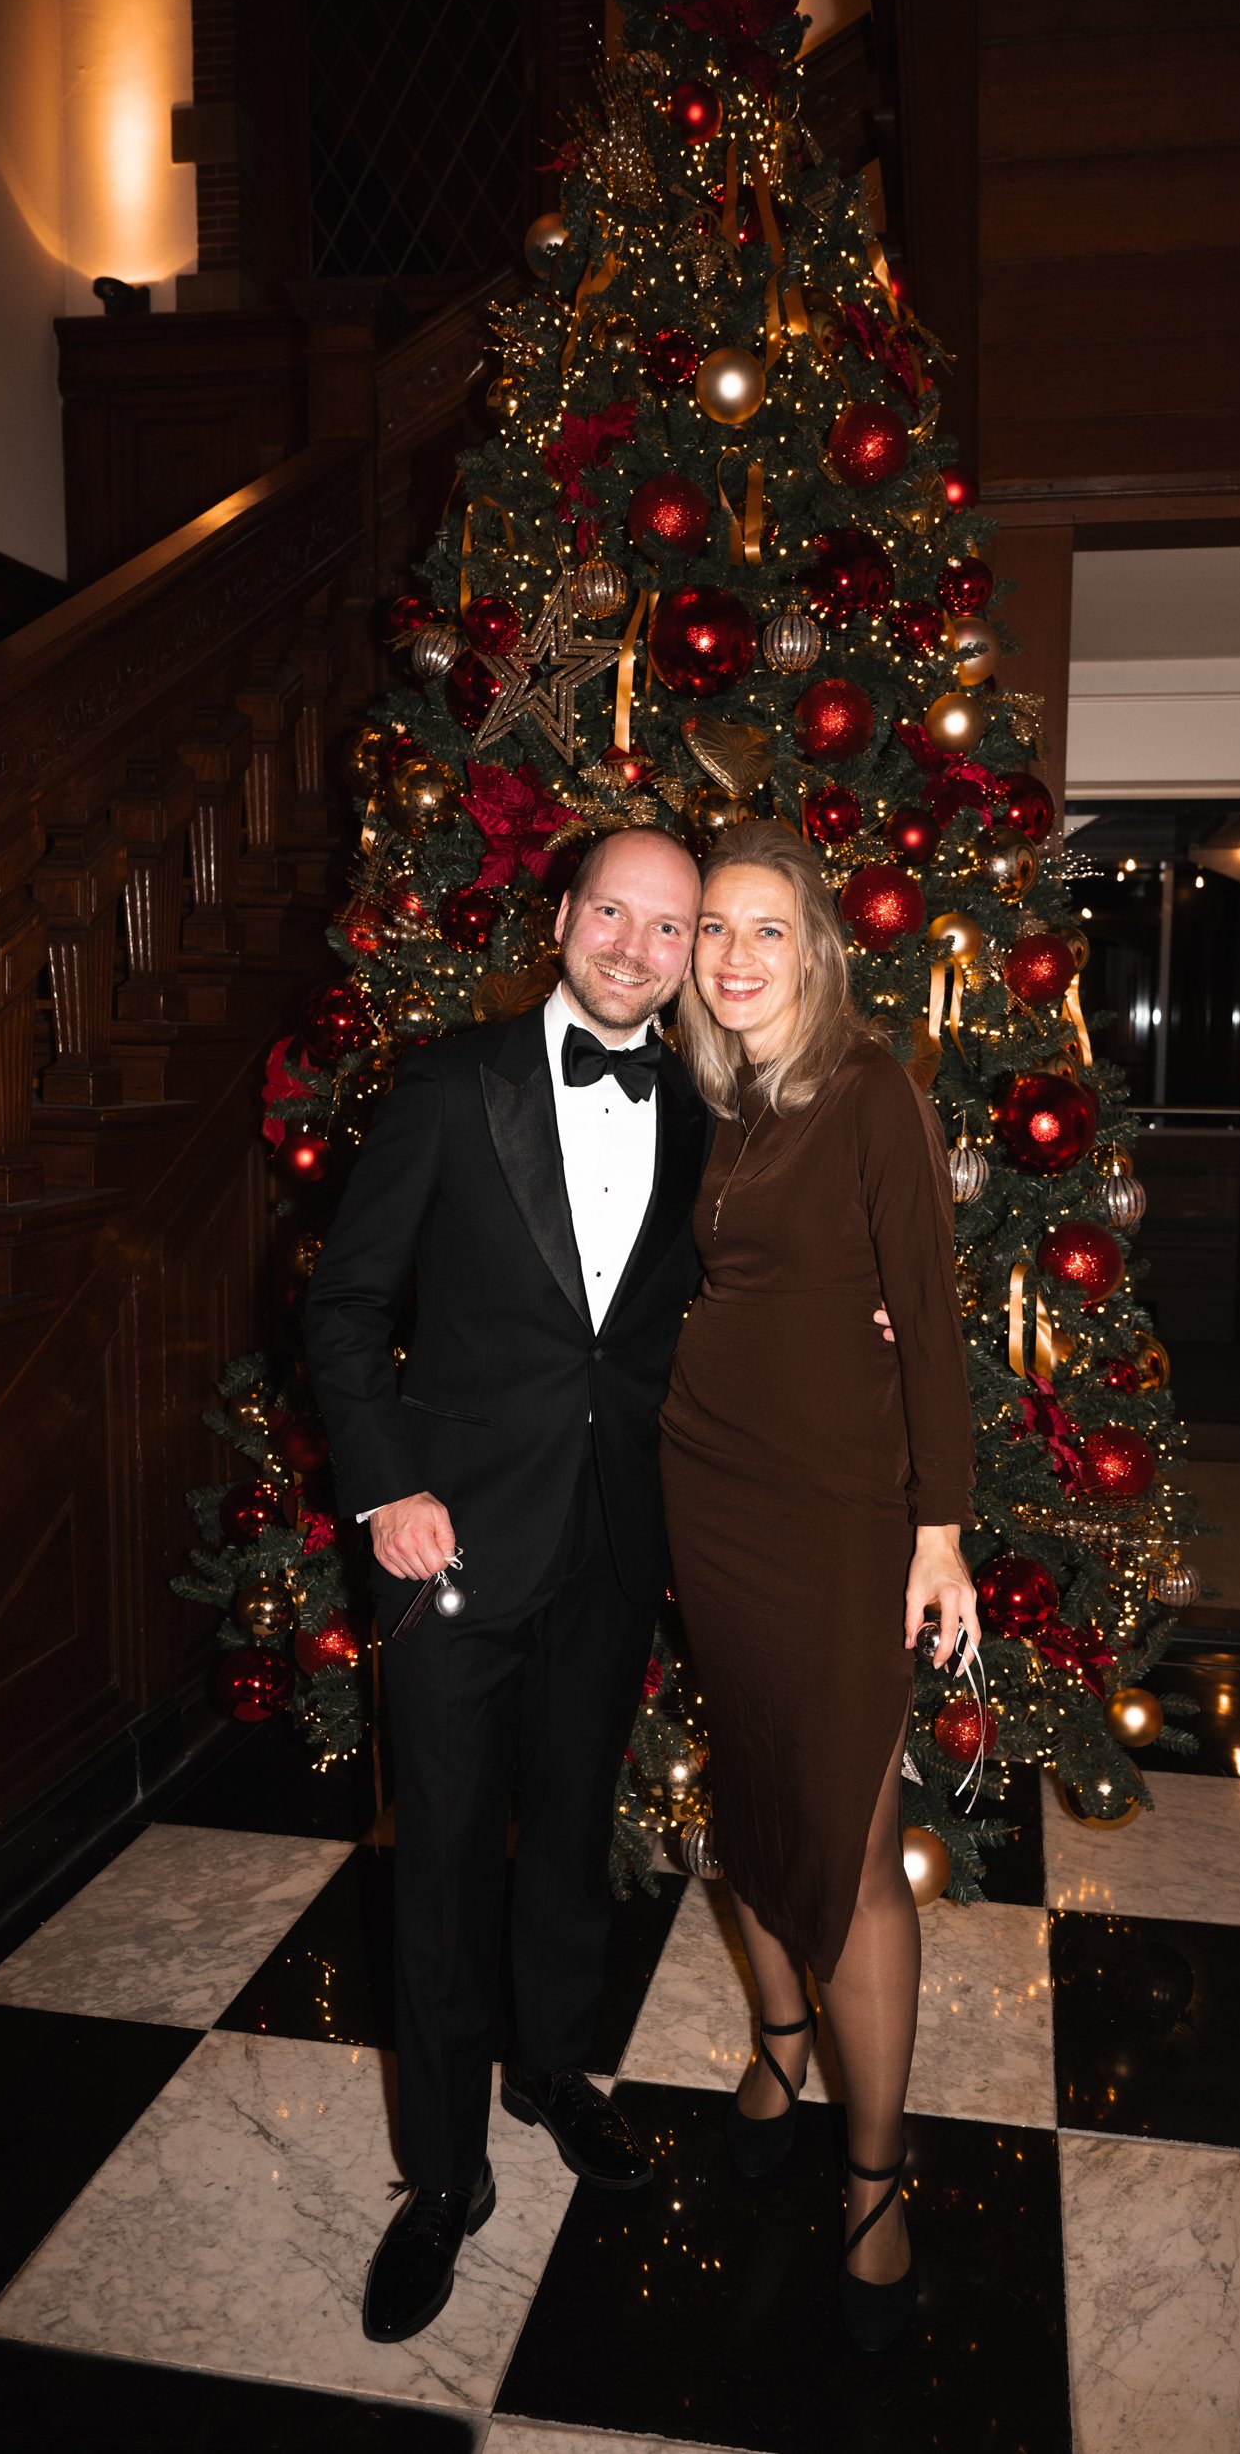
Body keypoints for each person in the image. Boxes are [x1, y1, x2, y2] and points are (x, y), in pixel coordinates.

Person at [305, 825, 710, 2344]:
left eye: (666, 927)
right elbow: (344, 1305)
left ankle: (552, 2070)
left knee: (573, 1844)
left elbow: (695, 1324)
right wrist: (387, 1482)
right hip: (452, 1547)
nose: (633, 945)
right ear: (562, 918)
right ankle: (443, 2177)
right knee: (448, 1858)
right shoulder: (448, 1085)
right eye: (611, 910)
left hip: (615, 1537)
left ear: (688, 958)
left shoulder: (707, 1114)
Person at [659, 819, 978, 2354]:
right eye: (713, 926)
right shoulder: (705, 1101)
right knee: (751, 1792)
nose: (731, 954)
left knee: (851, 1841)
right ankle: (781, 2042)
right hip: (708, 1497)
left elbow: (927, 1313)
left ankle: (872, 2173)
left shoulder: (869, 1096)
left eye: (764, 928)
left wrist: (941, 1529)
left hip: (849, 1520)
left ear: (819, 950)